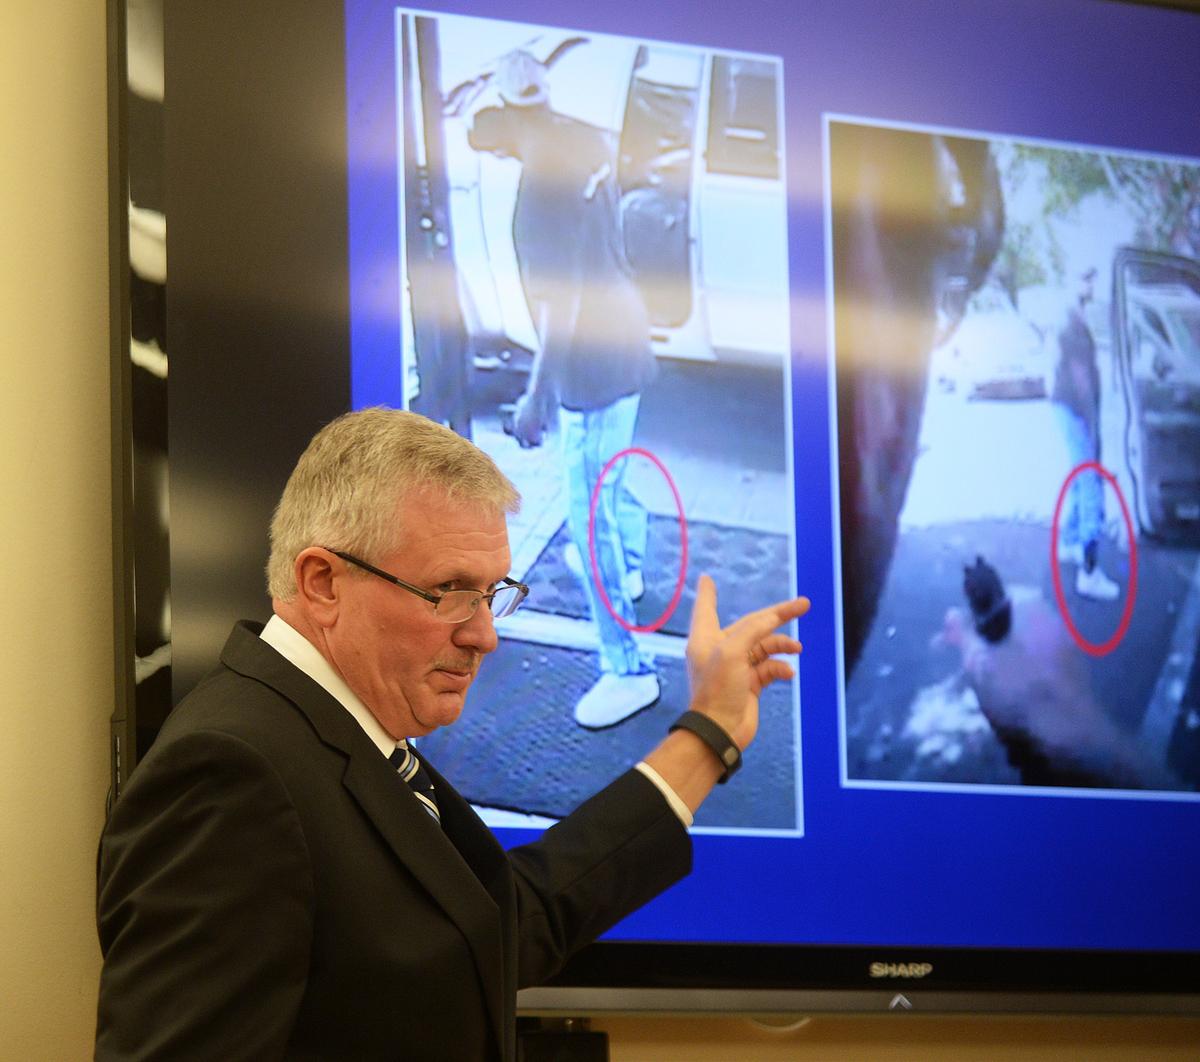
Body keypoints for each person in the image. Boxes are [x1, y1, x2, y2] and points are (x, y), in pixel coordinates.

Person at [95, 407, 809, 1061]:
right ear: (322, 582)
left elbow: (498, 923)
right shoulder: (230, 775)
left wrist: (709, 733)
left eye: (494, 591)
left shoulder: (340, 732)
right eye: (451, 593)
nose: (486, 635)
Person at [831, 123, 1173, 791]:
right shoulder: (1069, 330)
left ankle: (1085, 554)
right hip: (1079, 426)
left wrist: (1062, 725)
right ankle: (1088, 559)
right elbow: (1070, 385)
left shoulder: (1071, 326)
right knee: (1086, 498)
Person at [467, 49, 661, 728]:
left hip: (591, 370)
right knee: (610, 487)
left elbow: (561, 309)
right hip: (628, 344)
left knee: (587, 517)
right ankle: (631, 570)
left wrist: (536, 393)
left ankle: (628, 670)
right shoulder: (583, 144)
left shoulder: (537, 197)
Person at [1050, 266, 1121, 601]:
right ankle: (1089, 573)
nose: (1090, 287)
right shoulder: (1073, 328)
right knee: (1090, 484)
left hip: (1067, 409)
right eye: (1085, 281)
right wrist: (1092, 428)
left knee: (1081, 478)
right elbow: (1081, 381)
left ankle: (1068, 542)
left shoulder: (1073, 324)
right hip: (1076, 412)